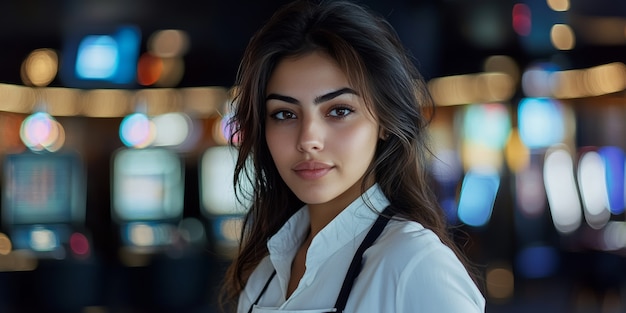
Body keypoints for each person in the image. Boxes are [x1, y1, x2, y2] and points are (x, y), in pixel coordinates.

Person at [220, 0, 486, 312]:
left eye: (339, 110)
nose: (308, 140)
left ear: (384, 122)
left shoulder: (414, 264)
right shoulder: (265, 271)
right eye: (284, 114)